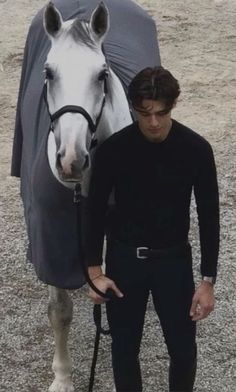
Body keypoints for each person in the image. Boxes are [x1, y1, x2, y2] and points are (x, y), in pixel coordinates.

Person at [83, 66, 220, 392]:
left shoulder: (197, 150)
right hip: (125, 260)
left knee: (184, 351)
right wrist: (93, 270)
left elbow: (209, 216)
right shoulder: (113, 151)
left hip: (173, 261)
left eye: (161, 112)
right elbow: (95, 212)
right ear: (133, 107)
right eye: (145, 114)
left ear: (174, 105)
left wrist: (208, 280)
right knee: (124, 351)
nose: (154, 122)